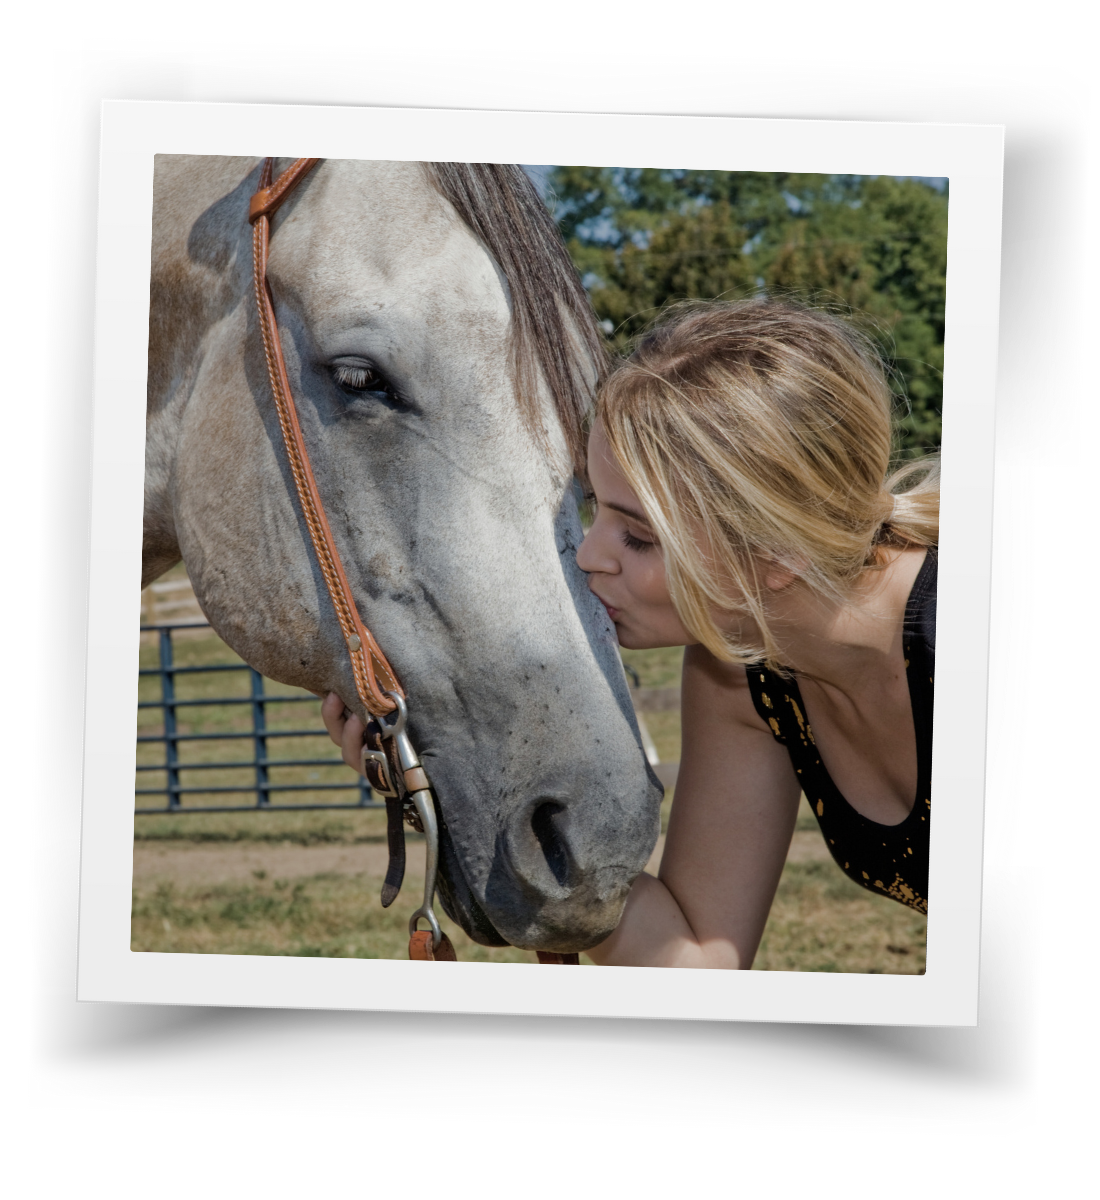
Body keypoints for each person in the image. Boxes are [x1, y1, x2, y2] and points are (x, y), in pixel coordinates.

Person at [324, 299, 939, 969]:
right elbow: (699, 960)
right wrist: (463, 786)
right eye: (595, 511)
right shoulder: (740, 674)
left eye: (638, 536)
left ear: (776, 552)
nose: (589, 555)